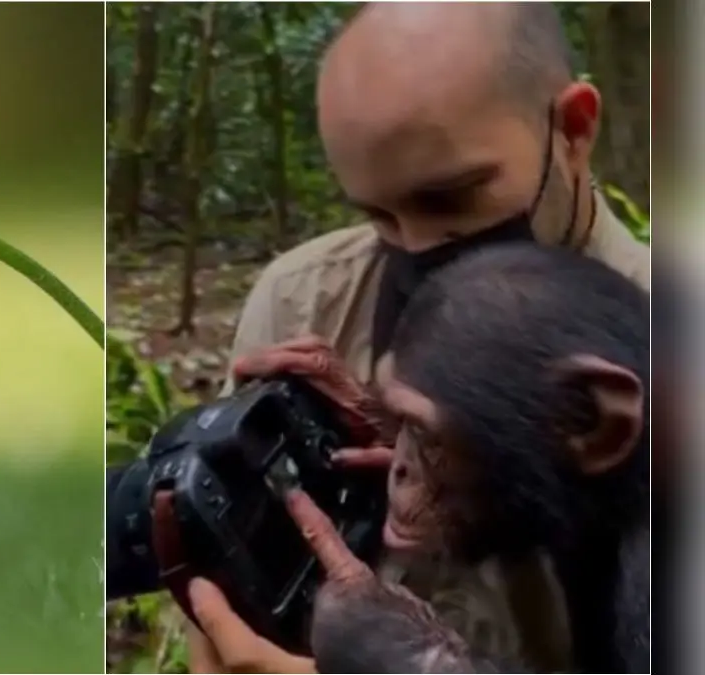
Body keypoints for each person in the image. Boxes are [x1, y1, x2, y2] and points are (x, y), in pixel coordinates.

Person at [182, 3, 651, 672]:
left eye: (451, 198)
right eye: (377, 214)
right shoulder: (307, 299)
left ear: (572, 130)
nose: (417, 248)